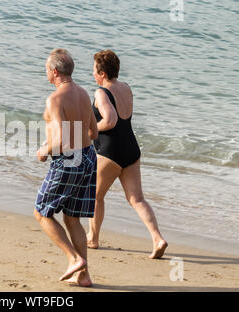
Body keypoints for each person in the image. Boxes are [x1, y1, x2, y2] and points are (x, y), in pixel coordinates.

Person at [87, 50, 168, 259]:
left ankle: (93, 239)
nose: (93, 74)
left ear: (102, 73)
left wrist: (91, 131)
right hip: (131, 149)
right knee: (137, 199)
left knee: (95, 196)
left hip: (110, 152)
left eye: (94, 70)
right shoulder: (126, 88)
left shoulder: (101, 92)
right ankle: (157, 238)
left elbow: (111, 120)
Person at [34, 48, 98, 287]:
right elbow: (94, 132)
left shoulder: (55, 99)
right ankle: (84, 275)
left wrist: (43, 151)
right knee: (72, 218)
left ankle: (73, 259)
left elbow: (61, 140)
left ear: (53, 71)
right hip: (89, 157)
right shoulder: (83, 93)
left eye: (46, 70)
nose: (46, 74)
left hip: (69, 159)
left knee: (41, 212)